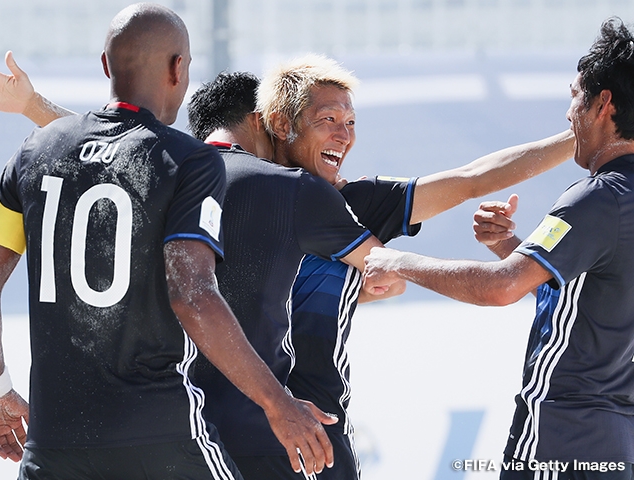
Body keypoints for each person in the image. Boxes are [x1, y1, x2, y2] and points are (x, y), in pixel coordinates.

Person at [0, 3, 337, 479]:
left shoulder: (33, 152)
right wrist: (279, 404)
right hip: (162, 439)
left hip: (53, 445)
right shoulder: (190, 161)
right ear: (179, 69)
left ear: (105, 65)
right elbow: (192, 293)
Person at [188, 59, 574, 478]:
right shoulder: (239, 194)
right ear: (277, 125)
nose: (344, 134)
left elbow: (471, 179)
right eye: (328, 119)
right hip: (240, 433)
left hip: (304, 435)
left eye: (350, 122)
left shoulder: (352, 202)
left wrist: (581, 138)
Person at [363, 17, 634, 479]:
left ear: (602, 103)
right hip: (616, 439)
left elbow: (500, 289)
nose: (568, 113)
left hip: (561, 432)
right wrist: (509, 244)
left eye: (574, 95)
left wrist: (397, 260)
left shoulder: (598, 197)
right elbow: (588, 308)